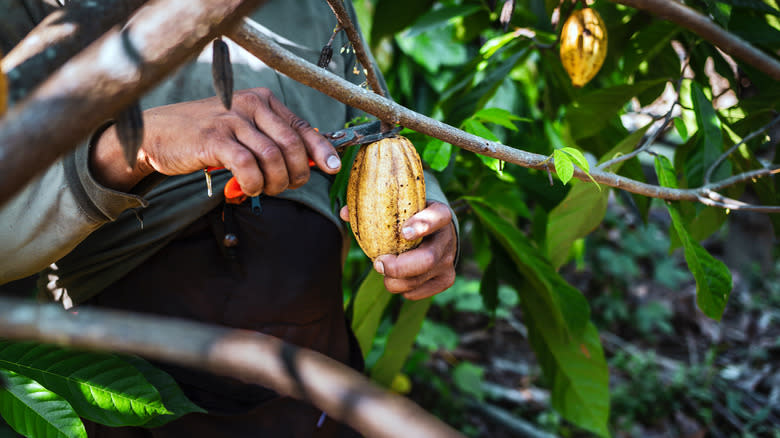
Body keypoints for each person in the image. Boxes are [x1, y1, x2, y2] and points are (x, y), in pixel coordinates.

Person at [0, 1, 458, 436]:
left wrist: (426, 212)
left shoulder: (325, 5)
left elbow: (377, 123)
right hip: (133, 337)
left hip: (310, 337)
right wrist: (139, 145)